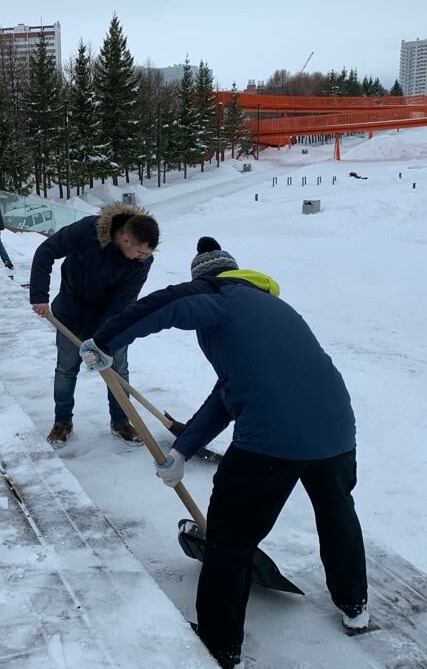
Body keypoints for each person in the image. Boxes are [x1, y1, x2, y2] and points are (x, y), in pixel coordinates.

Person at [79, 237, 369, 669]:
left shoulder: (219, 294)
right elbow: (229, 393)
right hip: (337, 431)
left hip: (273, 437)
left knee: (230, 538)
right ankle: (355, 605)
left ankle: (220, 643)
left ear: (207, 277)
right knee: (336, 512)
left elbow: (165, 304)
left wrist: (105, 340)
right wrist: (183, 450)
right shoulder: (275, 309)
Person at [29, 203, 159, 448]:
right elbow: (46, 251)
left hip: (111, 321)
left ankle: (121, 421)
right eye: (142, 252)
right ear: (126, 239)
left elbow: (123, 302)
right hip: (71, 314)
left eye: (149, 254)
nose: (145, 258)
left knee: (118, 371)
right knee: (66, 369)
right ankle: (62, 422)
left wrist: (102, 341)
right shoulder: (87, 230)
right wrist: (38, 295)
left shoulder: (141, 262)